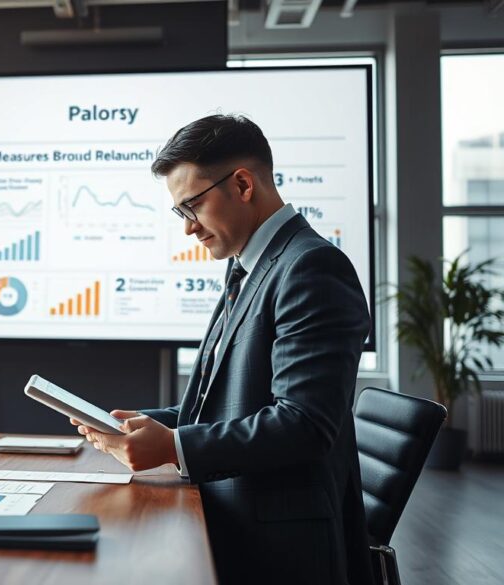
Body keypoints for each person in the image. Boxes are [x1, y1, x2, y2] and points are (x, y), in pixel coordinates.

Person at [72, 114, 374, 585]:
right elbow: (231, 402)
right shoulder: (249, 267)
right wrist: (145, 424)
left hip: (279, 550)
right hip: (234, 517)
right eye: (181, 213)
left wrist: (171, 446)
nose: (189, 229)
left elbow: (304, 424)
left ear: (242, 184)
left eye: (192, 206)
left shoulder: (311, 268)